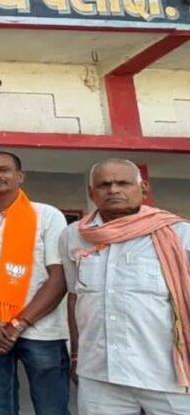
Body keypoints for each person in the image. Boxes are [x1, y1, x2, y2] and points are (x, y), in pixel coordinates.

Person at [62, 158, 190, 414]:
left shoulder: (179, 234)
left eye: (122, 183)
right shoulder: (74, 235)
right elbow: (75, 296)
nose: (113, 190)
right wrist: (75, 354)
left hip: (168, 375)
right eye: (104, 185)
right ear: (91, 192)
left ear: (143, 189)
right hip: (99, 374)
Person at [0, 151, 69, 415]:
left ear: (20, 176)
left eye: (4, 169)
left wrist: (17, 325)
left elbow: (59, 278)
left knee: (51, 409)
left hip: (40, 331)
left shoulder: (47, 215)